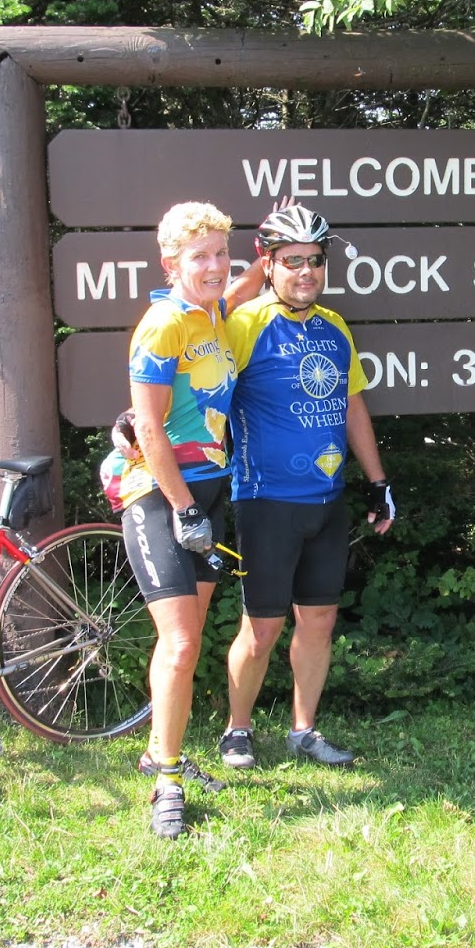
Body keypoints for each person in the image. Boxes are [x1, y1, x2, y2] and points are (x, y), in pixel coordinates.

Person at [215, 204, 395, 771]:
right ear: (267, 263)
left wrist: (378, 481)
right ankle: (236, 730)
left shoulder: (334, 326)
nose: (306, 273)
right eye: (293, 261)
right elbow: (193, 383)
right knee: (262, 626)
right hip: (265, 500)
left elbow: (351, 404)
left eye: (315, 261)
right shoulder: (244, 324)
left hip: (326, 501)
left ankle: (304, 730)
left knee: (319, 620)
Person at [98, 201, 244, 840]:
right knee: (180, 643)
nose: (213, 267)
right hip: (162, 496)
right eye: (199, 257)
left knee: (188, 640)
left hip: (210, 491)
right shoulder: (162, 323)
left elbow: (244, 284)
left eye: (221, 253)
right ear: (170, 264)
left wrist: (268, 248)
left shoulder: (212, 312)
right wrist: (184, 508)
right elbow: (148, 427)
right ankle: (168, 777)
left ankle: (163, 746)